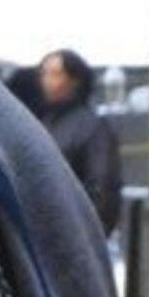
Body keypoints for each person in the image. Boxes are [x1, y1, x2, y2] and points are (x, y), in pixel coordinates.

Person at [39, 47, 123, 234]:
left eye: (55, 74)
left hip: (75, 228)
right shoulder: (45, 124)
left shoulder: (93, 127)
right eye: (45, 74)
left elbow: (103, 183)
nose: (47, 81)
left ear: (74, 81)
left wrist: (94, 231)